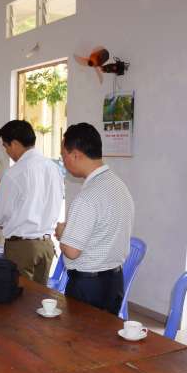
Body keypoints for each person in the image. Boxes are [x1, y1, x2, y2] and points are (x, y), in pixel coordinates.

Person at [55, 123, 134, 314]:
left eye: (63, 155)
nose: (63, 160)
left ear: (75, 154)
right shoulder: (118, 185)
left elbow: (72, 251)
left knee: (80, 340)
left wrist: (63, 233)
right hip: (114, 281)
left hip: (88, 286)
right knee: (104, 340)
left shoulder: (88, 196)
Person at [0, 120, 63, 284]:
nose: (6, 151)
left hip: (22, 248)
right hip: (46, 246)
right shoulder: (53, 168)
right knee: (38, 299)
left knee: (19, 300)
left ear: (15, 144)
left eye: (6, 146)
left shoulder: (15, 173)